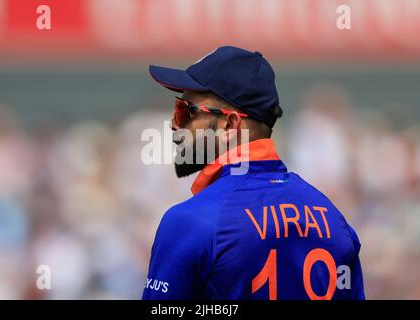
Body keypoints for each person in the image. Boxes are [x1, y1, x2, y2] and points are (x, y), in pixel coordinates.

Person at [142, 46, 365, 300]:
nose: (174, 124)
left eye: (185, 111)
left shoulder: (190, 221)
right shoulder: (335, 220)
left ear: (229, 124)